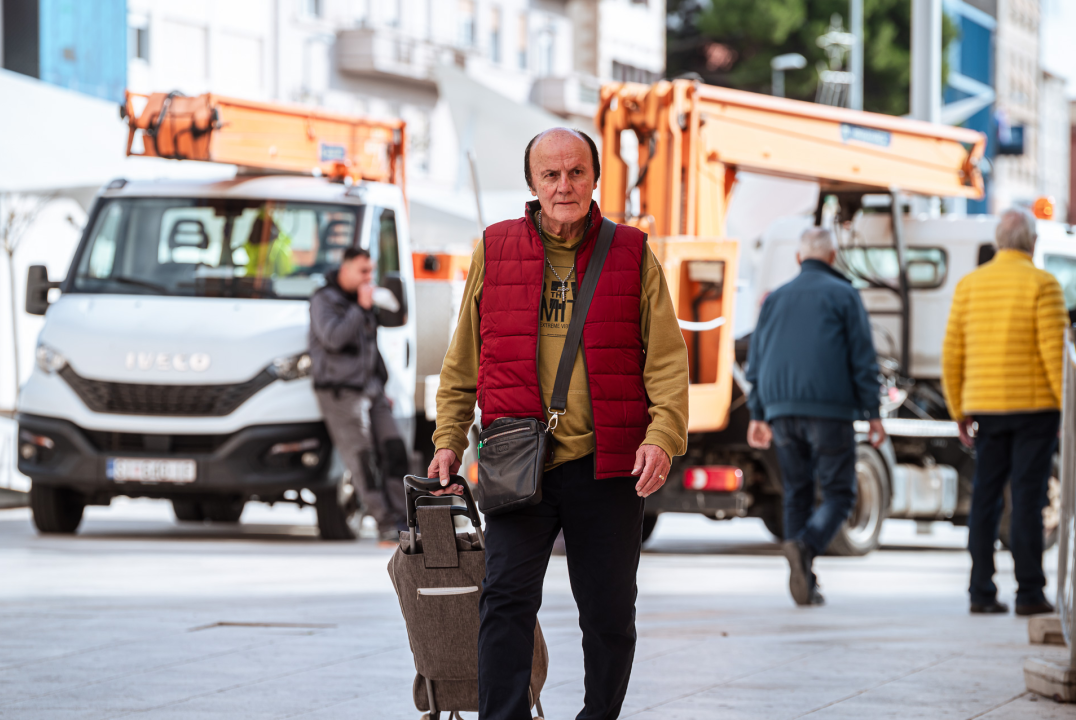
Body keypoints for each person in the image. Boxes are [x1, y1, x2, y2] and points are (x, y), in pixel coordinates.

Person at [429, 127, 690, 720]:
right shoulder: (494, 249)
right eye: (551, 174)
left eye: (576, 172)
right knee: (504, 600)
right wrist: (448, 439)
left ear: (595, 178)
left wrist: (662, 435)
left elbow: (667, 359)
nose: (564, 185)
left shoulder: (632, 252)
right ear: (532, 183)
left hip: (607, 463)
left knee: (608, 613)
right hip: (517, 461)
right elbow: (463, 357)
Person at [745, 226, 885, 607]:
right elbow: (862, 359)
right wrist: (873, 413)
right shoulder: (845, 295)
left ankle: (804, 580)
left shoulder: (775, 299)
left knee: (797, 493)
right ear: (833, 257)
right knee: (840, 493)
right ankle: (805, 547)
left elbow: (756, 360)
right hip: (829, 411)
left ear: (798, 258)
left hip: (781, 412)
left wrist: (758, 413)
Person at [941, 207, 1067, 616]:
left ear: (998, 242)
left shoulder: (969, 285)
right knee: (1027, 499)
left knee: (985, 497)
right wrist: (1070, 410)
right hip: (1034, 410)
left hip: (985, 409)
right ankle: (1029, 593)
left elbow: (952, 353)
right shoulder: (1043, 284)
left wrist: (958, 409)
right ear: (1033, 242)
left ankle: (980, 591)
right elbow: (1055, 355)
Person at [309, 246, 407, 542]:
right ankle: (386, 523)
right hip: (342, 394)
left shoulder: (360, 301)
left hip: (372, 391)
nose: (369, 278)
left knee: (394, 449)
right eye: (363, 271)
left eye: (371, 271)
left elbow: (371, 347)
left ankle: (405, 520)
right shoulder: (324, 300)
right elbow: (333, 338)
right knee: (364, 461)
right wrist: (360, 309)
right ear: (346, 269)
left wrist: (383, 385)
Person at [244, 210, 295, 277]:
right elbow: (285, 273)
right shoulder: (278, 248)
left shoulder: (250, 247)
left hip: (250, 280)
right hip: (266, 281)